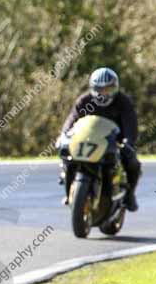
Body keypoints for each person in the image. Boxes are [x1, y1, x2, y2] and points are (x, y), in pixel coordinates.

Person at [58, 67, 141, 211]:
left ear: (115, 88)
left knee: (133, 163)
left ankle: (129, 195)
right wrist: (63, 135)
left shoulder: (123, 102)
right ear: (92, 88)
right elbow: (72, 120)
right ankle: (69, 190)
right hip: (88, 141)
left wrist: (128, 142)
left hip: (114, 142)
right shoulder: (84, 101)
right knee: (68, 160)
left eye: (108, 89)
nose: (104, 93)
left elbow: (130, 123)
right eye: (100, 89)